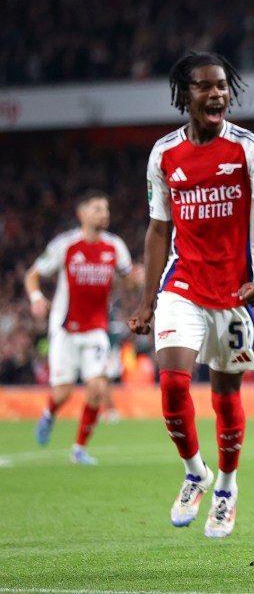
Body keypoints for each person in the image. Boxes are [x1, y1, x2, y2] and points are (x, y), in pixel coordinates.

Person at [127, 51, 254, 538]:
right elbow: (158, 230)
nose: (217, 93)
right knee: (173, 383)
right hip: (183, 285)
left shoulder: (248, 149)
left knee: (224, 397)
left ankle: (227, 487)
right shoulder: (164, 154)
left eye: (222, 86)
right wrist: (147, 299)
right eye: (205, 86)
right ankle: (196, 472)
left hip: (235, 292)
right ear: (185, 94)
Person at [26, 190, 139, 464]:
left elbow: (128, 283)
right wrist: (37, 297)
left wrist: (137, 278)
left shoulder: (115, 246)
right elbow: (33, 274)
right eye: (98, 209)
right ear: (82, 214)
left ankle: (78, 449)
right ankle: (49, 413)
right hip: (65, 329)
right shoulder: (65, 245)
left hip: (97, 328)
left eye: (107, 209)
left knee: (98, 389)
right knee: (63, 393)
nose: (105, 214)